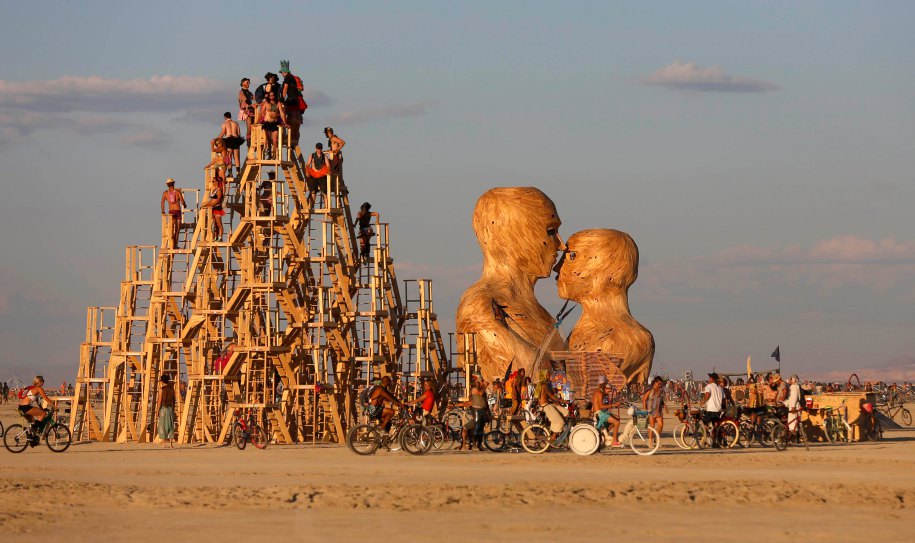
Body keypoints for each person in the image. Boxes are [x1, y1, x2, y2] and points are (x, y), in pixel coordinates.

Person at [592, 375, 622, 447]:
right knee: (617, 423)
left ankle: (605, 435)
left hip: (599, 413)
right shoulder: (599, 393)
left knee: (617, 418)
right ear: (603, 384)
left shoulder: (597, 392)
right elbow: (601, 406)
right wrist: (614, 405)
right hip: (599, 413)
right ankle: (614, 442)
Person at [279, 60, 304, 149]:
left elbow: (285, 89)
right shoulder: (293, 78)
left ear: (283, 72)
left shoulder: (287, 78)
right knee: (296, 120)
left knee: (287, 117)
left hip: (291, 100)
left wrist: (282, 99)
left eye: (281, 72)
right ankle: (294, 138)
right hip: (296, 100)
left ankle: (287, 136)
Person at [537, 370, 567, 439]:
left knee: (564, 413)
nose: (549, 376)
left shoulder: (541, 384)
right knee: (560, 421)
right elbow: (550, 395)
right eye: (547, 375)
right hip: (546, 406)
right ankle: (552, 438)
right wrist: (560, 400)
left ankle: (555, 434)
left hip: (546, 404)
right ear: (544, 376)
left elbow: (546, 396)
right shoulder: (544, 385)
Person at [257, 91, 287, 159]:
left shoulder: (278, 103)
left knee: (275, 140)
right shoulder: (266, 103)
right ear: (268, 96)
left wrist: (285, 123)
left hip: (275, 123)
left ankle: (275, 155)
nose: (271, 96)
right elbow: (261, 112)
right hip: (267, 123)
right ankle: (270, 154)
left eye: (273, 95)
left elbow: (282, 113)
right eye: (270, 95)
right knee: (268, 139)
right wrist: (257, 122)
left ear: (275, 96)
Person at [160, 178, 187, 249]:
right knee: (177, 228)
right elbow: (182, 201)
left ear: (167, 185)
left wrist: (163, 210)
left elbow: (162, 202)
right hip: (177, 211)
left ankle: (171, 243)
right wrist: (185, 205)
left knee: (171, 228)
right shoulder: (178, 192)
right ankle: (175, 244)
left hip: (171, 212)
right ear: (173, 183)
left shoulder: (165, 193)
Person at [642, 376, 667, 448]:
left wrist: (665, 406)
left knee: (661, 425)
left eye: (661, 384)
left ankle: (656, 438)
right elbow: (644, 400)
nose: (660, 385)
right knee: (652, 426)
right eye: (659, 383)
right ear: (655, 382)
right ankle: (650, 441)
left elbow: (661, 400)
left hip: (658, 410)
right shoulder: (650, 390)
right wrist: (645, 410)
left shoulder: (660, 390)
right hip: (651, 410)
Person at [217, 112, 245, 176]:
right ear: (230, 116)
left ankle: (230, 173)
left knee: (229, 157)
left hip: (229, 140)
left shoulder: (224, 124)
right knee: (236, 157)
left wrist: (217, 139)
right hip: (236, 140)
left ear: (225, 117)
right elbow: (238, 134)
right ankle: (238, 172)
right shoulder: (236, 123)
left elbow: (223, 132)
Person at [304, 142, 330, 207]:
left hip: (321, 175)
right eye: (318, 149)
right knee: (313, 190)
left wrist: (328, 171)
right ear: (316, 148)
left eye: (320, 149)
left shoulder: (324, 156)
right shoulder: (312, 155)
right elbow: (307, 164)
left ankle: (326, 205)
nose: (319, 150)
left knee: (324, 190)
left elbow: (328, 165)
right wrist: (307, 172)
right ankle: (312, 204)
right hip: (314, 175)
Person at [201, 175, 225, 240]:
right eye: (212, 181)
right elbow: (212, 200)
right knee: (214, 223)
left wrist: (208, 204)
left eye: (214, 181)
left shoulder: (219, 190)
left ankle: (220, 237)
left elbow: (217, 200)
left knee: (219, 223)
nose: (213, 182)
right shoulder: (213, 190)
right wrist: (207, 204)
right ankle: (216, 236)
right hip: (213, 208)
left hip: (217, 208)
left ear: (217, 182)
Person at [156, 374, 176, 447]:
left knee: (162, 424)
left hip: (164, 408)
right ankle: (171, 443)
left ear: (162, 381)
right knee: (170, 424)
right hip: (170, 408)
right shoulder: (172, 389)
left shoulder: (161, 389)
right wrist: (173, 408)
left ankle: (164, 443)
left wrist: (157, 410)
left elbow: (159, 400)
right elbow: (174, 400)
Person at [238, 78, 254, 146]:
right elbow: (245, 99)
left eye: (249, 82)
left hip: (251, 109)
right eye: (247, 82)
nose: (248, 84)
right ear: (243, 83)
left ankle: (253, 139)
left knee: (254, 125)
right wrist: (250, 104)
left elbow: (255, 98)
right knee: (249, 126)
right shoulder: (241, 92)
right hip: (246, 110)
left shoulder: (249, 92)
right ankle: (248, 140)